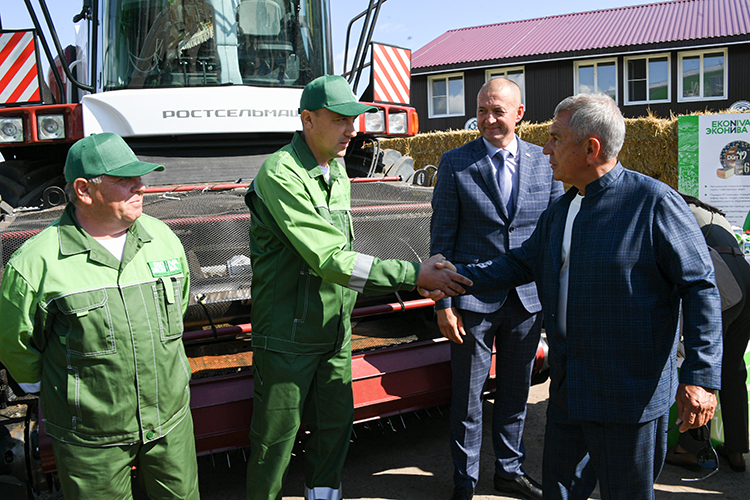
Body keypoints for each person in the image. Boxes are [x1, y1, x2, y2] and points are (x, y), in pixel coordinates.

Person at [432, 93, 723, 500]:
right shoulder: (564, 208)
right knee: (561, 491)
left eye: (555, 138)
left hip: (630, 397)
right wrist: (449, 278)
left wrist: (700, 377)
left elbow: (700, 288)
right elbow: (515, 265)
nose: (545, 148)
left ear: (591, 148)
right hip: (570, 390)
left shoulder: (653, 203)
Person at [244, 74, 472, 500]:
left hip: (333, 330)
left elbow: (342, 255)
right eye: (340, 119)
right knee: (274, 443)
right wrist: (414, 275)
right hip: (288, 336)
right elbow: (330, 258)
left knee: (334, 428)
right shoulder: (281, 174)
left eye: (355, 119)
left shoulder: (336, 170)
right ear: (308, 120)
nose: (353, 130)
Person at [0, 133, 199, 499]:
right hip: (90, 440)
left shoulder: (164, 239)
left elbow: (179, 308)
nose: (141, 187)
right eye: (124, 179)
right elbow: (16, 344)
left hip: (170, 423)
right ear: (84, 189)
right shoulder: (35, 264)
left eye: (139, 177)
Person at [430, 77, 562, 500]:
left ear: (519, 114)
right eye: (482, 110)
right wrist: (443, 304)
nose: (488, 119)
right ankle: (464, 482)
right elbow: (442, 241)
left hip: (526, 302)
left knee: (514, 394)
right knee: (467, 401)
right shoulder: (455, 163)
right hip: (471, 301)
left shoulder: (547, 163)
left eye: (497, 111)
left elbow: (557, 236)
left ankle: (509, 471)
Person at [666, 195, 749, 473]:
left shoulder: (671, 206)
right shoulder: (710, 212)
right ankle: (736, 449)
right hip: (746, 279)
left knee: (701, 367)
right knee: (733, 369)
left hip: (724, 282)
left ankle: (691, 450)